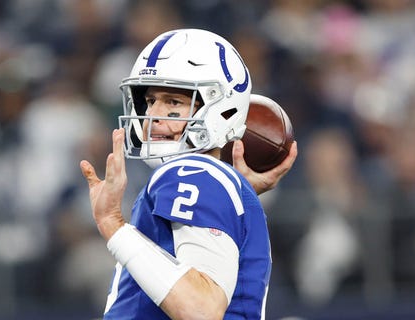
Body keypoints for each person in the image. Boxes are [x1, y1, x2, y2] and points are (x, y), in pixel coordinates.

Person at [80, 29, 297, 319]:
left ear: (221, 109)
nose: (153, 115)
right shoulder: (212, 182)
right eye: (150, 100)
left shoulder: (190, 172)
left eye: (173, 102)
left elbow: (202, 309)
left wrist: (113, 225)